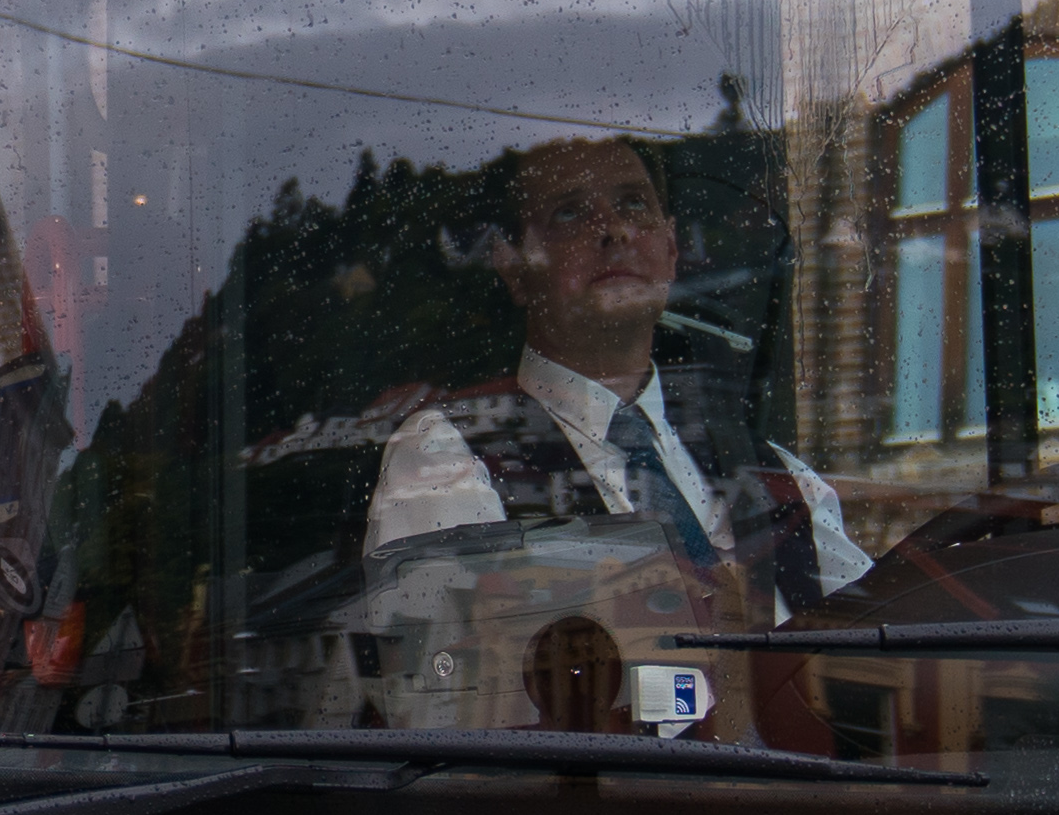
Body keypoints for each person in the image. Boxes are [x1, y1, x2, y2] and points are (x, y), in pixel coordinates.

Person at [359, 132, 872, 627]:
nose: (614, 230)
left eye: (633, 205)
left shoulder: (779, 477)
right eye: (569, 212)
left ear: (671, 249)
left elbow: (887, 651)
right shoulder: (449, 456)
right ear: (513, 268)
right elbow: (454, 695)